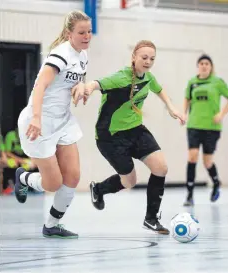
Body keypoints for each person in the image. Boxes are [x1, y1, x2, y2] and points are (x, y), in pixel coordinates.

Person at [78, 40, 185, 235]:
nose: (148, 62)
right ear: (134, 57)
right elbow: (96, 84)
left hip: (136, 130)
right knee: (129, 182)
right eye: (144, 57)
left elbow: (159, 90)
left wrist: (171, 107)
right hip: (110, 137)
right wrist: (85, 88)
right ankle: (99, 189)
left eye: (152, 58)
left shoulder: (148, 78)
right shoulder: (121, 77)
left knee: (161, 167)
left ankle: (151, 219)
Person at [15, 10, 92, 238]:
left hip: (63, 120)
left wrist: (80, 87)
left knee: (73, 176)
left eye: (89, 32)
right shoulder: (60, 54)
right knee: (53, 183)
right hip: (39, 122)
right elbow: (39, 87)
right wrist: (37, 118)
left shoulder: (83, 55)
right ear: (69, 34)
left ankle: (51, 224)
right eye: (81, 32)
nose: (87, 36)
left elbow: (77, 79)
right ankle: (24, 178)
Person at [183, 54, 228, 206]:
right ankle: (189, 195)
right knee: (192, 157)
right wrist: (184, 114)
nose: (204, 65)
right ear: (198, 66)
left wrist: (221, 114)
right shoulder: (192, 82)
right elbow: (187, 99)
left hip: (212, 128)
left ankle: (216, 183)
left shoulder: (217, 82)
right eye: (201, 63)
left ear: (211, 66)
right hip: (194, 125)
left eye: (207, 63)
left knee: (207, 162)